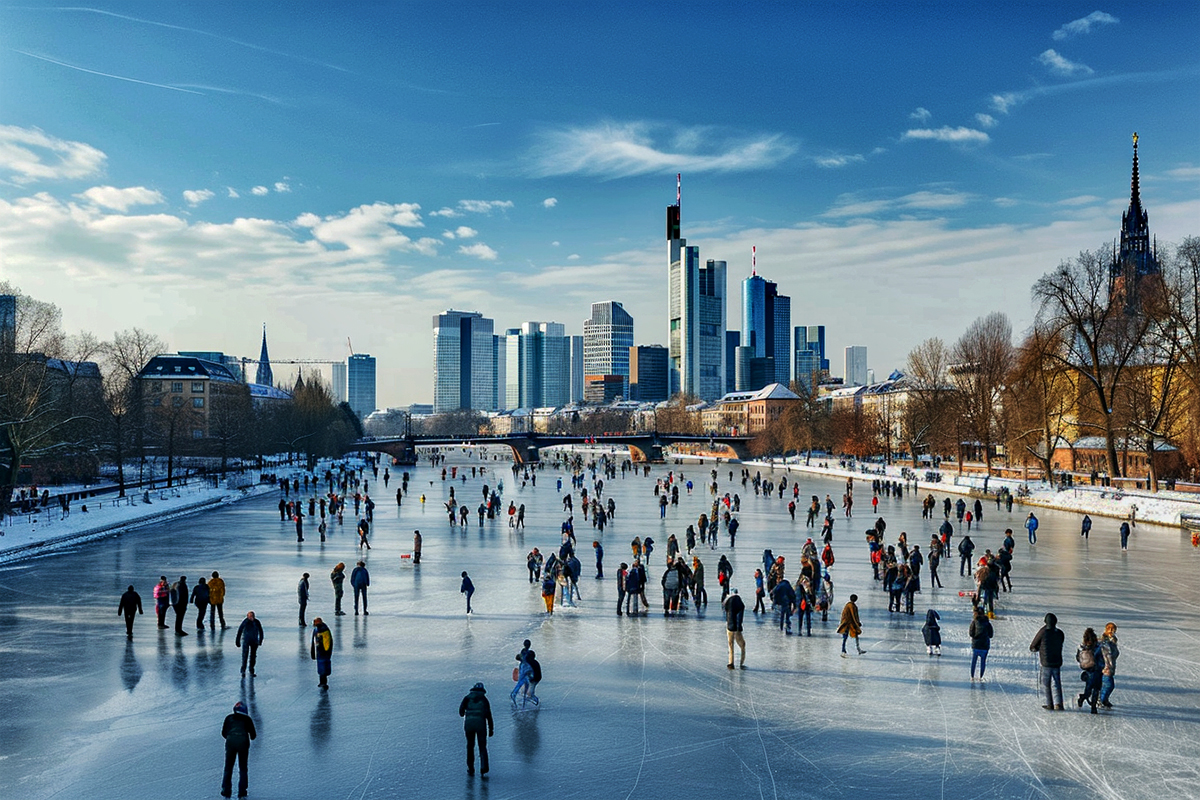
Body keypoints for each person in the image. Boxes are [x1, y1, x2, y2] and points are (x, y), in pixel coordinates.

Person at [220, 701, 257, 799]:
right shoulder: (247, 719)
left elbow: (223, 733)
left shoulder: (228, 718)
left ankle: (226, 790)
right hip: (243, 743)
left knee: (228, 767)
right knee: (243, 768)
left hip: (230, 742)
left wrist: (230, 737)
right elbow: (253, 736)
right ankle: (242, 792)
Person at [1030, 612, 1066, 710]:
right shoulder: (1060, 633)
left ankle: (1049, 704)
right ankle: (1059, 704)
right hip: (1057, 661)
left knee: (1046, 683)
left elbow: (1033, 645)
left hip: (1046, 662)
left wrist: (1036, 648)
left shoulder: (1043, 631)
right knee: (1057, 683)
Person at [459, 682, 494, 775]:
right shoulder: (484, 700)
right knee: (482, 747)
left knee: (470, 746)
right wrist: (491, 729)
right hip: (481, 726)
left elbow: (461, 712)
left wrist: (468, 713)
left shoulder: (467, 698)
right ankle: (483, 768)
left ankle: (470, 768)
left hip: (469, 725)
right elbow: (489, 715)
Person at [1076, 627, 1103, 713]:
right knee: (1096, 689)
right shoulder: (1098, 647)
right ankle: (1093, 707)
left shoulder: (1082, 647)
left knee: (1088, 690)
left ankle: (1082, 698)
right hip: (1098, 670)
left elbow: (1078, 658)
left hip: (1088, 670)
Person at [235, 611, 264, 677]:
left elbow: (260, 631)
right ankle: (243, 670)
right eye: (250, 617)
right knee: (245, 656)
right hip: (246, 641)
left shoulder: (257, 622)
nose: (251, 618)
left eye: (252, 616)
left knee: (253, 656)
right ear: (247, 617)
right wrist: (237, 641)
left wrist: (260, 640)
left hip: (254, 641)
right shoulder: (245, 622)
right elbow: (240, 631)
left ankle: (251, 670)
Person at [723, 587, 746, 669]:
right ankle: (741, 662)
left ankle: (731, 662)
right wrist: (739, 626)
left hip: (729, 626)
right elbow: (740, 616)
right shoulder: (740, 602)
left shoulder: (727, 601)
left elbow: (725, 609)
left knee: (730, 644)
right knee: (742, 644)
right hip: (737, 628)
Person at [969, 606, 993, 681]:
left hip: (976, 645)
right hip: (985, 645)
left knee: (974, 661)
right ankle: (981, 677)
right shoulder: (987, 623)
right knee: (983, 661)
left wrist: (975, 637)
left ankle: (972, 676)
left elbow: (971, 633)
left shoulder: (974, 622)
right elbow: (991, 635)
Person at [1099, 622, 1120, 709]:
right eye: (1112, 629)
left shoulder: (1113, 640)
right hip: (1105, 667)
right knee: (1109, 685)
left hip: (1110, 666)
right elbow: (1107, 654)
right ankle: (1101, 700)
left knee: (1107, 684)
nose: (1113, 631)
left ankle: (1104, 699)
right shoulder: (1105, 641)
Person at [310, 617, 333, 689]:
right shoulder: (320, 630)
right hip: (321, 651)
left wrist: (326, 651)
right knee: (322, 666)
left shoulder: (322, 630)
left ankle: (323, 682)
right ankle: (322, 681)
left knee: (323, 666)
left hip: (322, 651)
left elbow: (327, 642)